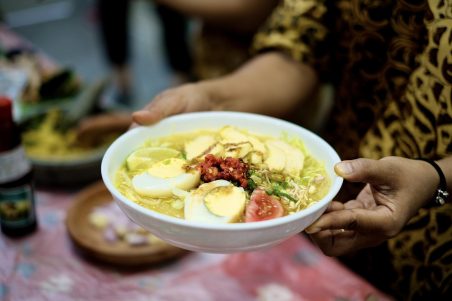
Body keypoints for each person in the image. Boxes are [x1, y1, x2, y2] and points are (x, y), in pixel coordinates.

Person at [131, 0, 452, 300]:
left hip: (438, 240)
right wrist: (212, 99)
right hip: (338, 185)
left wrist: (436, 177)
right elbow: (300, 47)